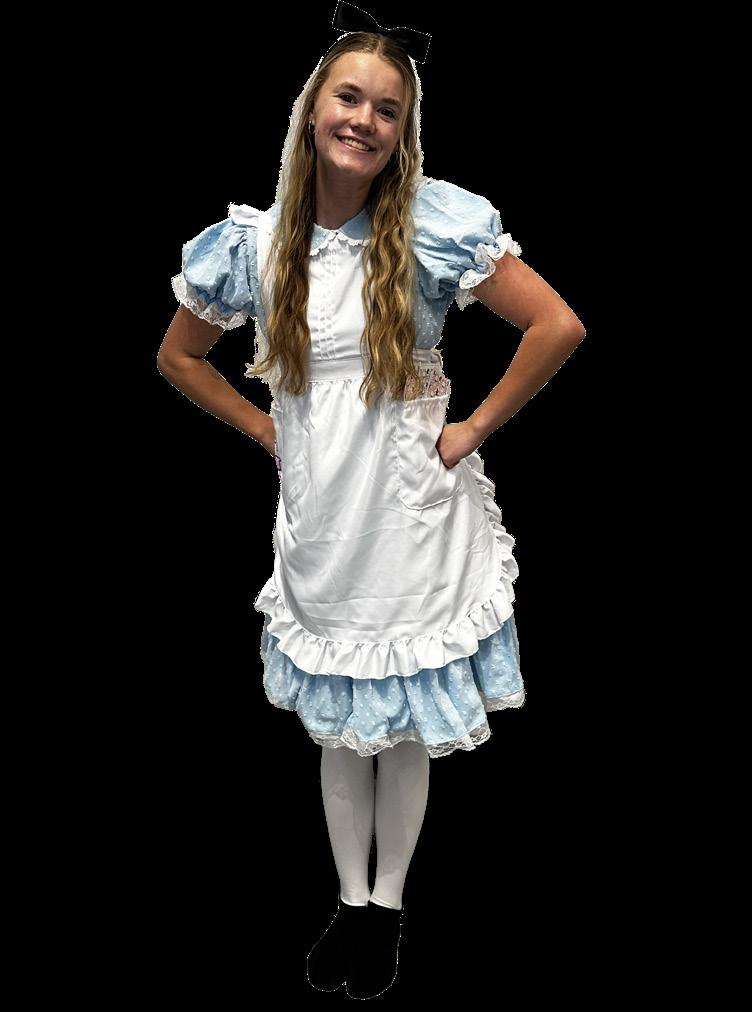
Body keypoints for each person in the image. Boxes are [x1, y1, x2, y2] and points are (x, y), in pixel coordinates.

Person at [157, 1, 585, 997]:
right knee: (343, 728)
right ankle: (347, 897)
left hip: (411, 512)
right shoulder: (254, 245)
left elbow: (555, 325)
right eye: (349, 97)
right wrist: (268, 429)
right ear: (313, 108)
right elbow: (179, 356)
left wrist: (469, 429)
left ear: (402, 131)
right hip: (323, 520)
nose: (364, 119)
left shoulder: (430, 224)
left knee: (401, 726)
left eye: (387, 109)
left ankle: (386, 906)